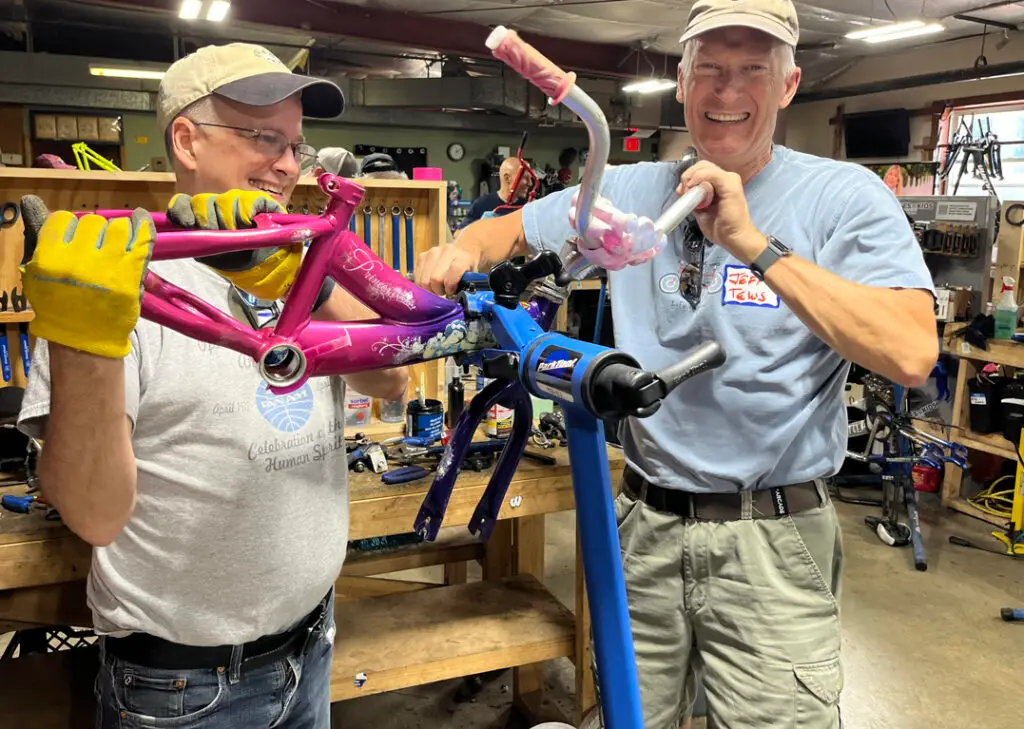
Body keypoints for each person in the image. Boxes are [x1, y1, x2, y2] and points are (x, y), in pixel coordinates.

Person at [415, 1, 938, 727]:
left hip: (772, 539)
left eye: (752, 70)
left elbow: (911, 352)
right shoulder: (626, 191)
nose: (727, 92)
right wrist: (463, 251)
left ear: (788, 85)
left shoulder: (843, 198)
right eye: (710, 70)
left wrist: (754, 242)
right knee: (629, 714)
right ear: (683, 80)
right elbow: (505, 228)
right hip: (644, 525)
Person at [17, 42, 408, 729]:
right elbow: (93, 512)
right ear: (187, 140)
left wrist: (296, 282)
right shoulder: (122, 282)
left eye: (295, 144)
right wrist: (84, 343)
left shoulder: (297, 264)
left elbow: (394, 378)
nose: (288, 164)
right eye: (264, 136)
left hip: (311, 645)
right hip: (181, 689)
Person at [460, 156, 531, 228]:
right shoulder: (482, 204)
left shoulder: (528, 208)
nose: (530, 183)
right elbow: (458, 234)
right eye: (525, 178)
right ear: (507, 178)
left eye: (531, 178)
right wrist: (479, 228)